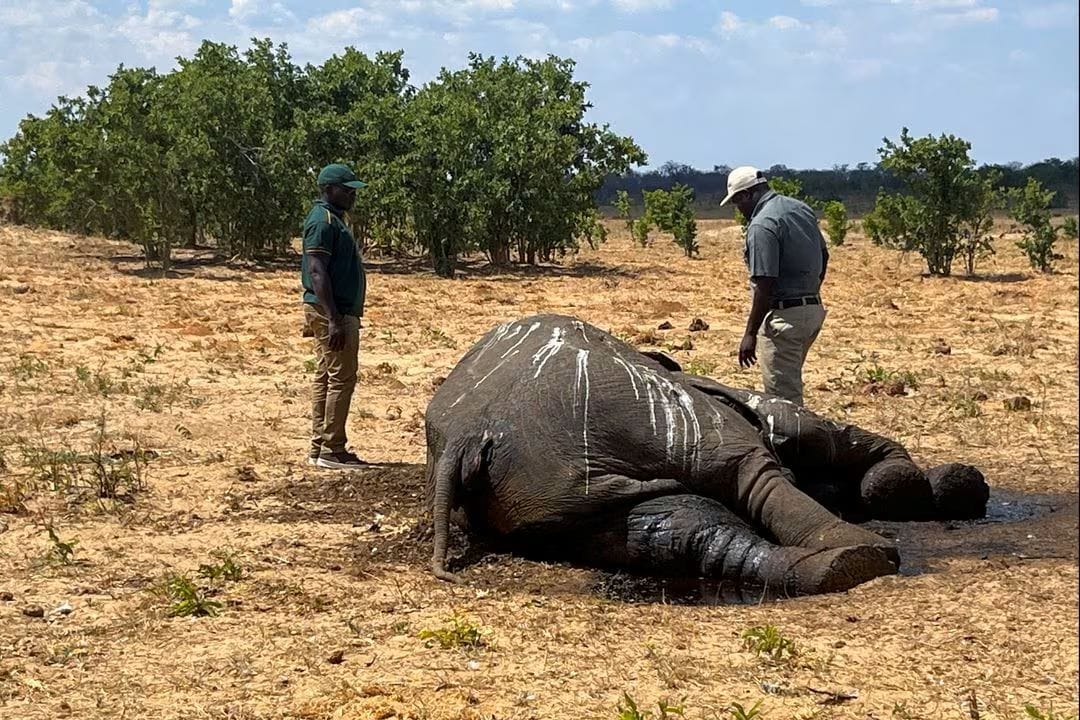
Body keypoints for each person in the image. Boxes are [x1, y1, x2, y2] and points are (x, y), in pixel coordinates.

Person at [720, 166, 829, 407]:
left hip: (784, 321)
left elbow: (764, 284)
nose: (739, 209)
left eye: (738, 202)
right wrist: (809, 291)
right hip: (812, 312)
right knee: (790, 384)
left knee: (784, 403)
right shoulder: (800, 209)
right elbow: (824, 255)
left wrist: (750, 334)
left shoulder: (761, 225)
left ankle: (796, 444)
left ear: (747, 194)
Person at [301, 163, 368, 469]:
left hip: (334, 310)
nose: (352, 194)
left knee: (327, 376)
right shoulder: (323, 222)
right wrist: (333, 318)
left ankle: (321, 447)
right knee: (342, 377)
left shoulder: (334, 220)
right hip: (333, 311)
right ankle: (332, 449)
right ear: (329, 189)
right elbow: (316, 271)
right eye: (347, 189)